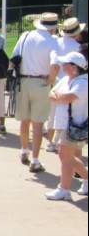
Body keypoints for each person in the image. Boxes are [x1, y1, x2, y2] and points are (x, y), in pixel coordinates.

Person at [10, 13, 59, 173]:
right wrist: (50, 80)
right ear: (53, 28)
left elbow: (13, 59)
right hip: (41, 82)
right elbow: (55, 66)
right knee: (38, 124)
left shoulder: (26, 35)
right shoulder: (52, 42)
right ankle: (36, 160)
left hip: (23, 81)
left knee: (25, 121)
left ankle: (24, 150)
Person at [44, 51, 88, 200]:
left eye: (66, 64)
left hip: (74, 125)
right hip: (63, 124)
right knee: (67, 156)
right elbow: (52, 94)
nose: (63, 66)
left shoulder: (83, 82)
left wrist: (59, 97)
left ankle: (64, 189)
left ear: (75, 67)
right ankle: (86, 180)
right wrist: (59, 97)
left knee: (64, 156)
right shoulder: (66, 80)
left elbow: (67, 98)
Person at [45, 17, 82, 152]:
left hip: (56, 80)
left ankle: (51, 142)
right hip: (71, 81)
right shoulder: (78, 47)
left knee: (52, 115)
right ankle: (67, 142)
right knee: (69, 115)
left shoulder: (55, 43)